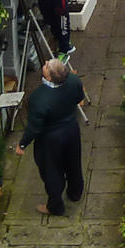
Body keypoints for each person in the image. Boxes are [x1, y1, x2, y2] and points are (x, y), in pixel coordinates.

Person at [12, 58, 85, 216]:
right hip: (72, 130)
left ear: (49, 77)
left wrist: (22, 145)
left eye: (46, 65)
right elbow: (80, 98)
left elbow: (34, 127)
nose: (44, 62)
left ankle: (55, 206)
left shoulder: (39, 98)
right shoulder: (73, 80)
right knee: (74, 163)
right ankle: (75, 193)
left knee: (52, 171)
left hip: (51, 139)